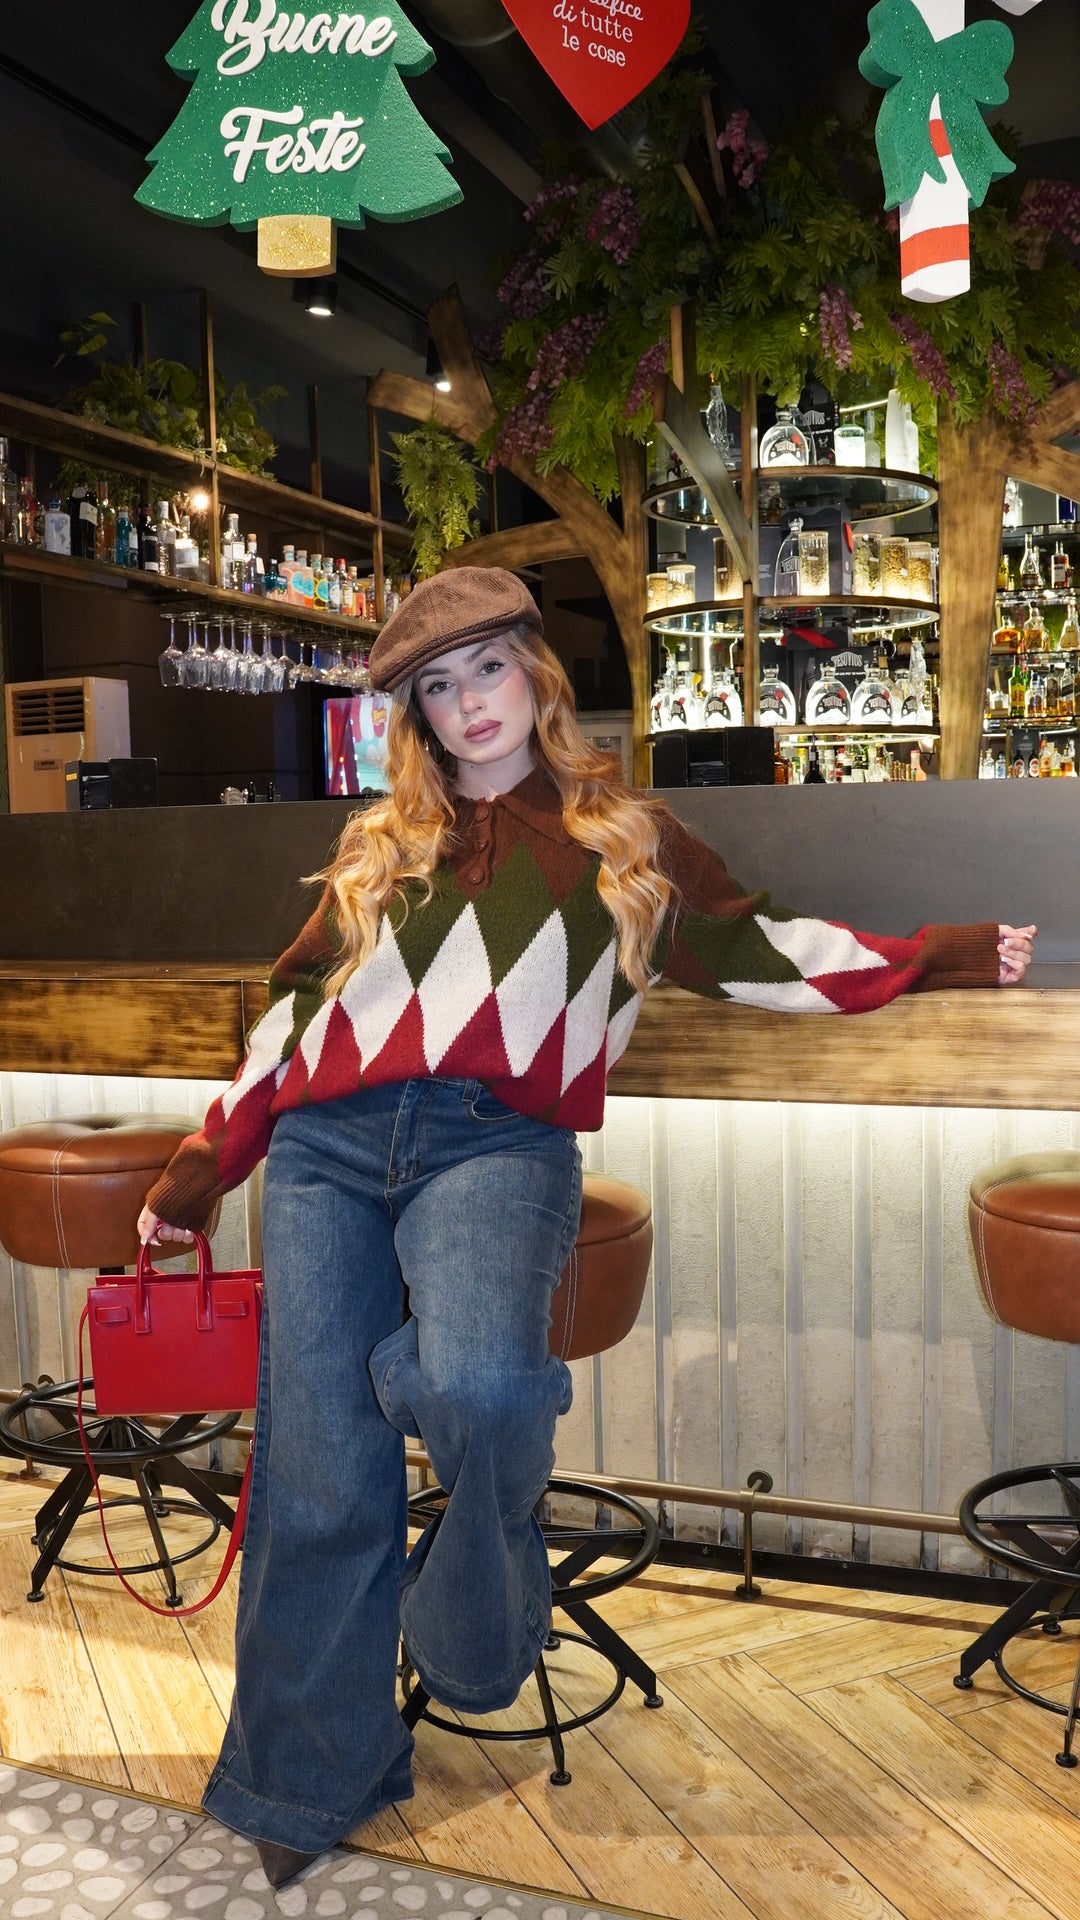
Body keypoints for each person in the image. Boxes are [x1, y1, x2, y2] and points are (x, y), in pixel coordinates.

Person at [138, 567, 1034, 1887]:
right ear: (417, 715)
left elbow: (763, 950)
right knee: (320, 1468)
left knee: (481, 1381)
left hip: (495, 1143)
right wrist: (202, 1166)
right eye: (438, 688)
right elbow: (289, 1021)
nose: (468, 703)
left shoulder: (626, 842)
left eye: (487, 669)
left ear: (535, 673)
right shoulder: (384, 846)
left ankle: (473, 1617)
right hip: (329, 1148)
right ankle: (307, 1775)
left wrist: (938, 953)